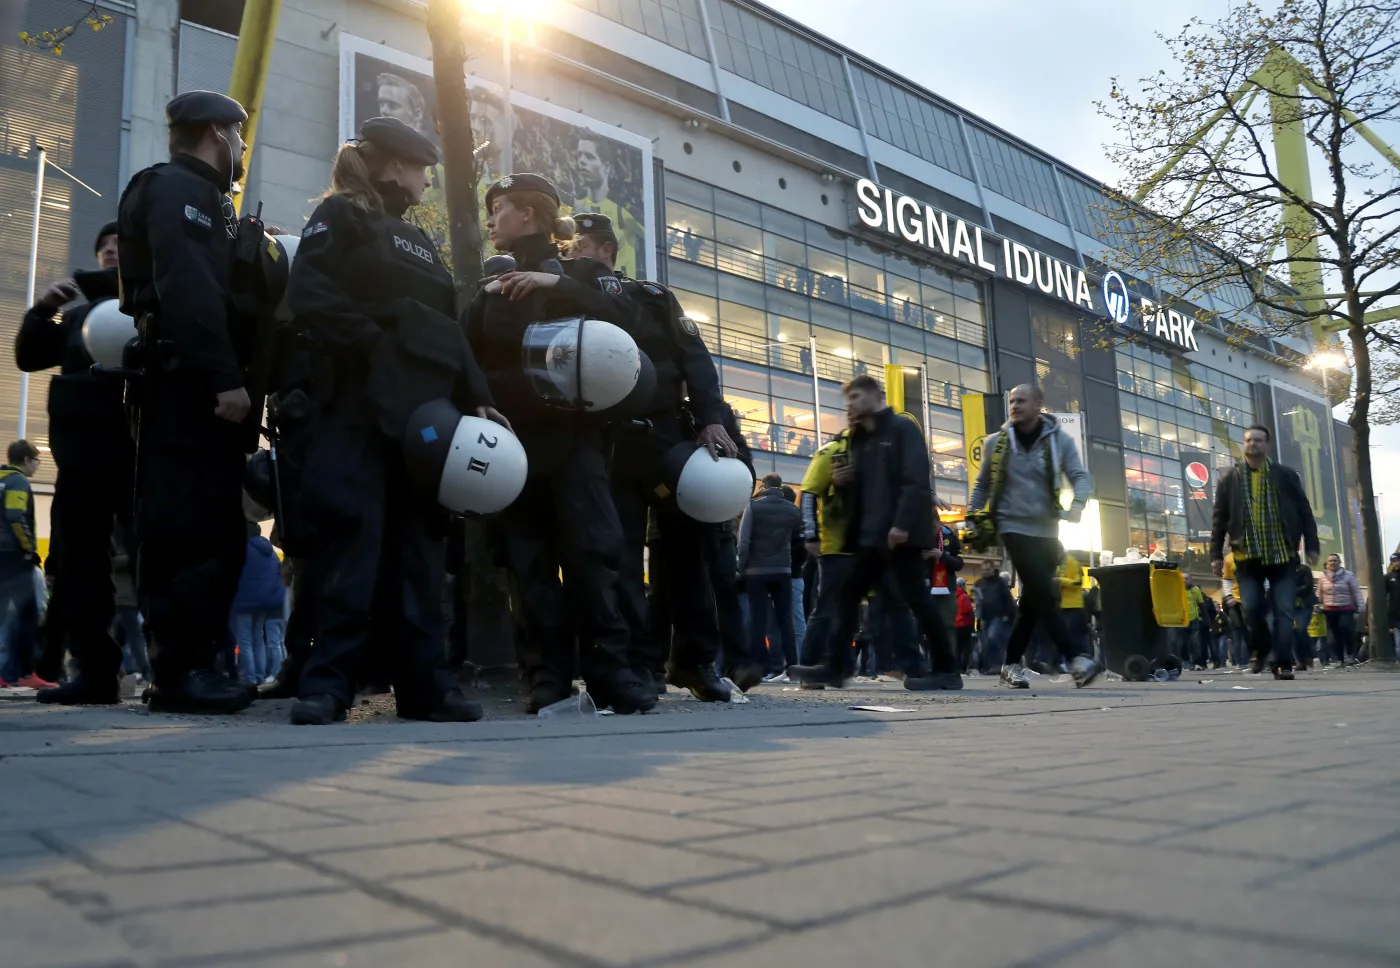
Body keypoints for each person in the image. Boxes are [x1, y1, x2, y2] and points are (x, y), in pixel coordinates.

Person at [281, 117, 497, 725]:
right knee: (353, 545)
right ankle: (327, 687)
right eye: (422, 168)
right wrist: (375, 342)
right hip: (353, 408)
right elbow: (311, 291)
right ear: (397, 166)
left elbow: (448, 329)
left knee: (421, 556)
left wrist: (474, 394)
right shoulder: (340, 215)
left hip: (422, 420)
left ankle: (427, 690)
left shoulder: (417, 241)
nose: (426, 179)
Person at [464, 173, 656, 715]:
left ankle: (611, 675)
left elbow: (631, 323)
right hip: (515, 448)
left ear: (528, 214)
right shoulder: (491, 288)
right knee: (529, 567)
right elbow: (467, 353)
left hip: (576, 445)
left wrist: (558, 288)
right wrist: (478, 399)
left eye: (499, 208)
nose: (492, 219)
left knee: (594, 560)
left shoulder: (586, 276)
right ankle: (545, 677)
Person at [115, 91, 265, 714]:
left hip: (203, 381)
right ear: (215, 132)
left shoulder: (210, 198)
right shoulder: (176, 188)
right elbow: (188, 285)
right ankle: (178, 674)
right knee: (184, 525)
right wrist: (224, 376)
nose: (242, 146)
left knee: (216, 530)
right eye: (239, 133)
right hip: (189, 382)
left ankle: (201, 663)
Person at [570, 212, 747, 698]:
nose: (572, 253)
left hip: (668, 440)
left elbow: (696, 360)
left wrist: (711, 418)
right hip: (609, 443)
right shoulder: (567, 294)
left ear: (607, 249)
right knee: (621, 556)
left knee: (687, 555)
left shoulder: (653, 297)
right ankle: (638, 666)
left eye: (580, 245)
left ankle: (696, 663)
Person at [17, 223, 136, 704]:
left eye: (119, 247)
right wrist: (43, 309)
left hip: (135, 452)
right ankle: (94, 673)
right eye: (103, 247)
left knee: (154, 556)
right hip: (79, 459)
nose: (109, 252)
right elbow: (27, 357)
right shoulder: (75, 318)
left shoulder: (154, 310)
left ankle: (179, 666)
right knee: (80, 567)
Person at [789, 375, 961, 691]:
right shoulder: (859, 438)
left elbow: (915, 479)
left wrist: (902, 525)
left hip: (901, 535)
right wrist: (843, 485)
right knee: (849, 596)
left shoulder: (901, 428)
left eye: (856, 397)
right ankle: (836, 667)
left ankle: (946, 670)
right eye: (848, 400)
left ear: (876, 396)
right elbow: (864, 494)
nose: (850, 405)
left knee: (915, 601)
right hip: (871, 537)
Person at [967, 384, 1099, 689]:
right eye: (1012, 401)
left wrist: (1077, 505)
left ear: (1039, 404)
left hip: (1048, 530)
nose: (1014, 405)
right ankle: (1077, 659)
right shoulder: (995, 443)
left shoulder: (1059, 442)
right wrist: (973, 517)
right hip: (1011, 527)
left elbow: (1079, 476)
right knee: (1043, 591)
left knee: (1031, 602)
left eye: (1021, 401)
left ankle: (1009, 666)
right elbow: (982, 484)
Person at [1210, 424, 1319, 679]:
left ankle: (1281, 663)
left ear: (1266, 444)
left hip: (1282, 556)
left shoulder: (1285, 476)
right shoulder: (1230, 479)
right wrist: (1215, 554)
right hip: (1247, 557)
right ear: (1244, 444)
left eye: (1258, 440)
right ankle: (1260, 649)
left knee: (1283, 611)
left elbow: (1305, 511)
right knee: (1251, 609)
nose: (1253, 444)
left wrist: (1312, 545)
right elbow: (1219, 519)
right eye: (1249, 440)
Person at [739, 474, 803, 678]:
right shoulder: (792, 510)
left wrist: (741, 567)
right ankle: (793, 666)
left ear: (763, 486)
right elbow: (798, 541)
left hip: (756, 572)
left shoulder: (753, 507)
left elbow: (744, 542)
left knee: (758, 621)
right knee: (786, 621)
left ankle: (757, 668)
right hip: (783, 571)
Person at [0, 442, 44, 690]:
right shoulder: (18, 482)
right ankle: (26, 673)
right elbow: (15, 517)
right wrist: (30, 549)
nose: (37, 465)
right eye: (36, 460)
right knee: (28, 616)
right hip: (15, 558)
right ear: (26, 460)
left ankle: (4, 673)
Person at [573, 139, 646, 278]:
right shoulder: (574, 208)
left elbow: (656, 243)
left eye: (589, 156)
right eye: (579, 155)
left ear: (606, 167)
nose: (581, 161)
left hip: (618, 293)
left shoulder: (626, 211)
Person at [230, 522, 286, 686]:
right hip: (265, 602)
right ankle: (260, 676)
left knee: (245, 640)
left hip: (244, 602)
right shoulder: (270, 552)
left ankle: (250, 677)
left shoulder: (242, 550)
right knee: (258, 639)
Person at [924, 513, 965, 673]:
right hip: (927, 587)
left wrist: (943, 556)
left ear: (938, 523)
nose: (931, 529)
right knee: (930, 627)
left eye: (933, 525)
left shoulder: (949, 536)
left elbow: (959, 564)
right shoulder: (920, 536)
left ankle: (950, 666)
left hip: (946, 588)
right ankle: (934, 664)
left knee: (947, 625)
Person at [1317, 553, 1363, 667]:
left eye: (1335, 561)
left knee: (1346, 629)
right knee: (1334, 635)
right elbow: (1319, 593)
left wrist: (1361, 606)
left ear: (1340, 563)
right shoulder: (1323, 577)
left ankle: (1350, 655)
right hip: (1329, 609)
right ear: (1327, 564)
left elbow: (1356, 592)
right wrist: (1317, 604)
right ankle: (1339, 659)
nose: (1332, 563)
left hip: (1346, 608)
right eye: (1330, 561)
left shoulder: (1349, 575)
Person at [975, 561, 1014, 674]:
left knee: (993, 637)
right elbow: (978, 601)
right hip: (984, 616)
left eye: (987, 569)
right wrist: (978, 616)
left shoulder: (1000, 582)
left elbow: (1007, 597)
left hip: (997, 615)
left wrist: (1007, 613)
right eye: (983, 569)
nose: (985, 572)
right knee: (986, 642)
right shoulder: (979, 583)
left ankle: (998, 664)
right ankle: (990, 666)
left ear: (992, 570)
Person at [1056, 550, 1089, 660]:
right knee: (1066, 636)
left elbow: (1078, 582)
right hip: (1063, 606)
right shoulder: (1059, 565)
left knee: (1074, 636)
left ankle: (1079, 660)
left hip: (1073, 606)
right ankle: (1069, 661)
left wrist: (1060, 581)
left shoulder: (1073, 563)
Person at [1292, 557, 1318, 670]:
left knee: (1301, 629)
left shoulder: (1304, 569)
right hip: (1291, 605)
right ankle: (1300, 661)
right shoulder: (1283, 572)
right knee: (1293, 633)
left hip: (1304, 604)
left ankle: (1310, 656)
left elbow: (1308, 586)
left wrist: (1293, 591)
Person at [954, 577, 976, 673]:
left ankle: (957, 667)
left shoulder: (952, 595)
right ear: (962, 585)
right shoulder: (964, 596)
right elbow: (968, 610)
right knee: (966, 647)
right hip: (965, 624)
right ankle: (964, 668)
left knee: (957, 648)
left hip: (955, 624)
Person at [1386, 552, 1400, 658]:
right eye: (1394, 561)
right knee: (1398, 643)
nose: (1397, 563)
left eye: (1398, 560)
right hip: (1396, 614)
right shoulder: (1389, 577)